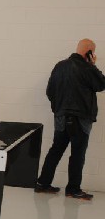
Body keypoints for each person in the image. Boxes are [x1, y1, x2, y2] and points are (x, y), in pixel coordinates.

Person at [35, 38, 105, 200]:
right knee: (78, 153)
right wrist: (93, 65)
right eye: (93, 52)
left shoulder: (59, 66)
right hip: (80, 118)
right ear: (89, 52)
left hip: (61, 117)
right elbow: (101, 84)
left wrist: (58, 109)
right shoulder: (87, 68)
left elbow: (49, 92)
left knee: (56, 150)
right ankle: (73, 189)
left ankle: (42, 184)